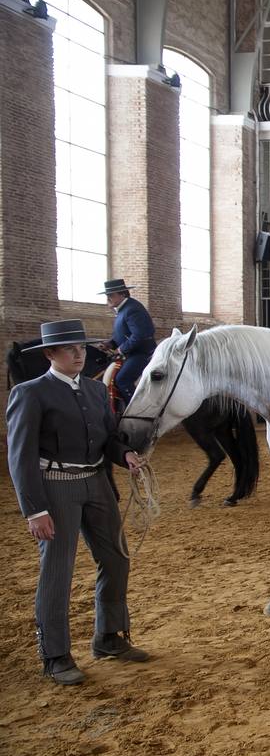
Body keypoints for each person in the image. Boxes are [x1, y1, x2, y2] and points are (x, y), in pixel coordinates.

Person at [6, 320, 149, 686]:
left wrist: (126, 454)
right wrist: (34, 509)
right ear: (50, 354)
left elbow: (109, 437)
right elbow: (20, 457)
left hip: (97, 484)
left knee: (116, 559)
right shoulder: (31, 393)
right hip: (55, 489)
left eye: (82, 348)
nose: (78, 354)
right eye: (69, 349)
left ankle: (109, 638)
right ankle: (55, 654)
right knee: (58, 569)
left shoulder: (95, 391)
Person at [100, 278, 156, 406]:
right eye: (107, 295)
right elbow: (123, 335)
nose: (108, 298)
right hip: (132, 353)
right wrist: (110, 344)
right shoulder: (122, 309)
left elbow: (140, 334)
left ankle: (137, 410)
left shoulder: (132, 309)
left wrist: (121, 349)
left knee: (122, 379)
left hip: (142, 354)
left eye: (110, 295)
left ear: (123, 294)